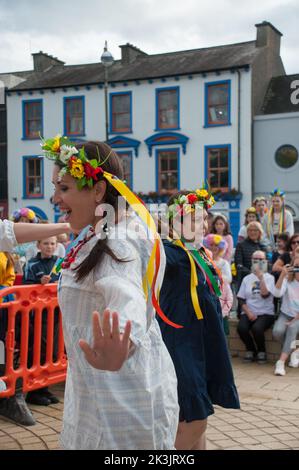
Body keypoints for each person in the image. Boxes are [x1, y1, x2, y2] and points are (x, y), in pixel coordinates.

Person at [42, 134, 179, 450]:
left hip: (118, 399)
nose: (55, 198)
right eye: (54, 188)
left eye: (64, 188)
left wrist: (122, 340)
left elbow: (124, 293)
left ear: (98, 190)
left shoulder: (117, 240)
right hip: (108, 386)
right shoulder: (108, 230)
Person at [157, 189, 240, 451]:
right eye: (194, 219)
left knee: (198, 416)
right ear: (175, 222)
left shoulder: (199, 252)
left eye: (204, 218)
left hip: (203, 343)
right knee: (193, 419)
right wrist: (162, 229)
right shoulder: (168, 253)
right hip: (181, 345)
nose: (203, 225)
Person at [23, 236, 60, 406]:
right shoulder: (32, 264)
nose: (49, 247)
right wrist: (39, 283)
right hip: (38, 316)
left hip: (56, 314)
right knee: (39, 351)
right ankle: (33, 391)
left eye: (52, 243)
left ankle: (44, 387)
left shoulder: (60, 262)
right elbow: (25, 286)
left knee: (52, 353)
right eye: (46, 243)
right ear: (38, 245)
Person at [236, 251, 275, 364]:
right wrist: (248, 312)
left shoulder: (270, 278)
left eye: (261, 260)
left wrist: (261, 278)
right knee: (241, 328)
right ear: (252, 261)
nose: (258, 262)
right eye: (255, 260)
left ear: (266, 261)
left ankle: (262, 351)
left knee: (257, 328)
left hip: (265, 313)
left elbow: (265, 295)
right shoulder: (247, 278)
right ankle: (251, 350)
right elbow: (241, 298)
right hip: (249, 311)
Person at [272, 258, 299, 376]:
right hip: (286, 314)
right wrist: (282, 275)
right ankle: (295, 350)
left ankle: (281, 362)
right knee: (277, 332)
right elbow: (277, 294)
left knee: (292, 328)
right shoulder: (287, 280)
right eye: (296, 265)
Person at [203, 234, 233, 335]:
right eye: (211, 245)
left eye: (216, 245)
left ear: (220, 247)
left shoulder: (224, 263)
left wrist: (215, 278)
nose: (213, 248)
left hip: (220, 297)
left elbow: (228, 279)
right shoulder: (204, 261)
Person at [0, 218, 70, 252]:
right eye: (46, 243)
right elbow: (6, 232)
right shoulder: (32, 249)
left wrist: (66, 227)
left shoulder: (60, 248)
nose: (49, 246)